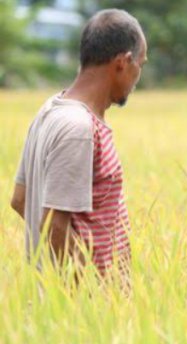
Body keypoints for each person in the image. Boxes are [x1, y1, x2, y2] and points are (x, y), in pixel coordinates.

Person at [10, 9, 147, 277]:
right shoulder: (79, 128)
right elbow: (54, 227)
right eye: (140, 64)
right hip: (80, 307)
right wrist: (97, 292)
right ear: (123, 62)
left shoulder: (50, 109)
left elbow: (20, 199)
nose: (137, 78)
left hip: (54, 299)